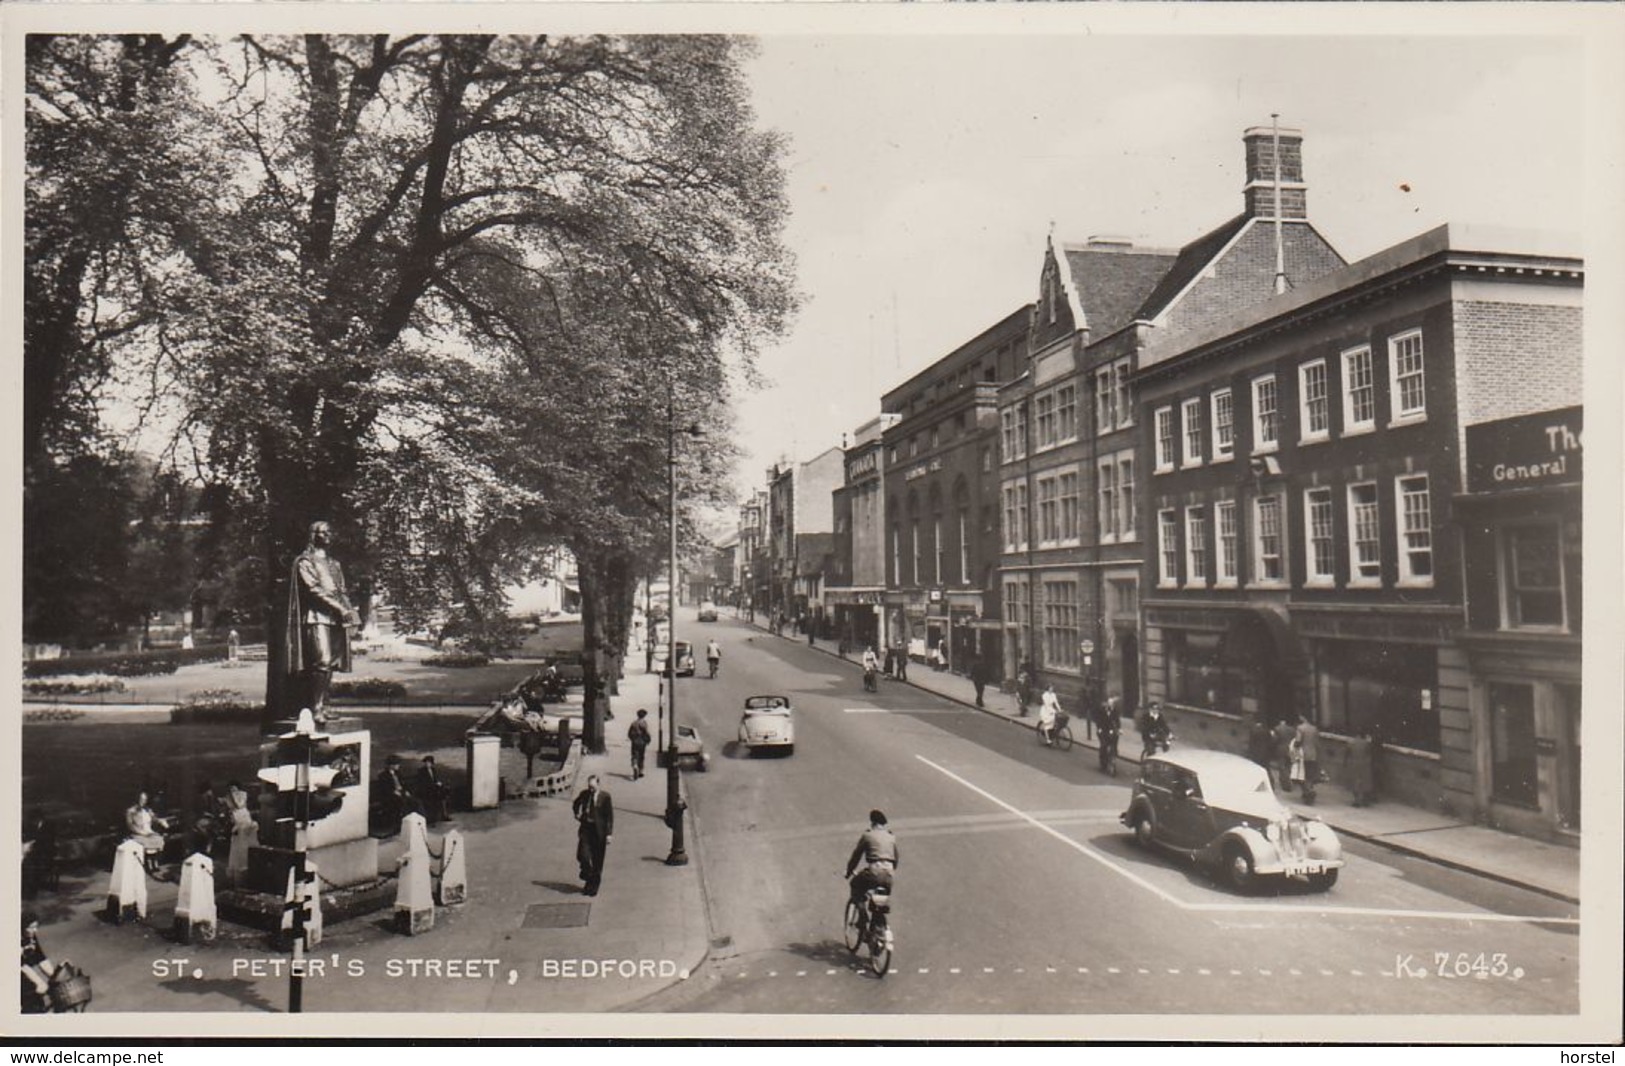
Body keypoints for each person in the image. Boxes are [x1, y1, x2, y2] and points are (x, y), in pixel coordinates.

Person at [285, 520, 362, 724]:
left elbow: (341, 591)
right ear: (314, 535)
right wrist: (340, 608)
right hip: (316, 617)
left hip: (335, 619)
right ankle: (315, 707)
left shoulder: (334, 564)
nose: (329, 535)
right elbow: (313, 590)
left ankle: (324, 705)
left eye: (330, 532)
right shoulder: (305, 561)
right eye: (324, 532)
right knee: (322, 661)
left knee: (330, 665)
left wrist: (350, 612)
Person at [845, 809, 899, 910]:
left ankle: (862, 916)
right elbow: (896, 858)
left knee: (855, 885)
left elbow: (856, 856)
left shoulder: (867, 835)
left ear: (872, 823)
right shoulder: (891, 836)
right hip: (889, 874)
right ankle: (881, 921)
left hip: (874, 872)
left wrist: (849, 871)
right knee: (881, 899)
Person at [572, 775, 614, 896]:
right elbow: (576, 803)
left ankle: (592, 887)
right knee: (582, 855)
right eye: (589, 787)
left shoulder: (605, 797)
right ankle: (588, 874)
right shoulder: (584, 794)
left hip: (599, 833)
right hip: (586, 829)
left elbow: (609, 816)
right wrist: (576, 813)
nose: (591, 790)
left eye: (593, 787)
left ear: (598, 785)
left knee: (597, 861)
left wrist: (609, 834)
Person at [20, 912, 59, 1014]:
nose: (35, 930)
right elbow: (21, 964)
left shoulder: (31, 936)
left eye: (36, 927)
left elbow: (40, 957)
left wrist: (55, 977)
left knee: (39, 1001)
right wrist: (38, 982)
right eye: (31, 927)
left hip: (24, 971)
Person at [124, 791, 169, 873]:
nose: (142, 801)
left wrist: (161, 821)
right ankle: (149, 864)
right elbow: (130, 825)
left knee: (158, 839)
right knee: (147, 842)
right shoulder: (130, 811)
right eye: (141, 799)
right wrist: (141, 832)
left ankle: (155, 863)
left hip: (149, 832)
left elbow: (154, 818)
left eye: (144, 800)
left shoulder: (148, 810)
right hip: (137, 833)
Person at [375, 755, 420, 834]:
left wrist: (405, 791)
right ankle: (399, 826)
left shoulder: (398, 773)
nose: (398, 766)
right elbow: (385, 789)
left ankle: (416, 822)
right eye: (396, 764)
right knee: (401, 803)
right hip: (390, 796)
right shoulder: (383, 775)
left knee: (415, 802)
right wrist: (394, 792)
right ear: (391, 765)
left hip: (400, 793)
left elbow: (403, 784)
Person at [414, 755, 451, 824]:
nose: (427, 764)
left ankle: (444, 814)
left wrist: (438, 783)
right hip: (426, 791)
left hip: (434, 789)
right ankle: (433, 818)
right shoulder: (421, 771)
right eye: (426, 762)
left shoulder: (433, 770)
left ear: (431, 763)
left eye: (429, 763)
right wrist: (434, 784)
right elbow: (423, 783)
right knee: (436, 797)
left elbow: (435, 779)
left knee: (443, 796)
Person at [1346, 728, 1377, 807]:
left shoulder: (1351, 743)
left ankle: (1356, 800)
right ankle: (1363, 799)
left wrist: (1346, 763)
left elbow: (1347, 754)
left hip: (1354, 763)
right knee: (1364, 781)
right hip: (1365, 764)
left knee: (1355, 781)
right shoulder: (1366, 743)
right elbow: (1371, 753)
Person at [1295, 714, 1322, 804]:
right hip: (1313, 754)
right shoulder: (1314, 729)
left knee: (1302, 774)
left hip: (1303, 754)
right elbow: (1317, 742)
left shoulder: (1300, 728)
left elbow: (1298, 741)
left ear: (1303, 717)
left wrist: (1294, 747)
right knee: (1310, 774)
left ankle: (1308, 791)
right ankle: (1309, 789)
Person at [1246, 713, 1278, 787]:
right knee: (1266, 769)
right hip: (1265, 753)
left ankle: (1255, 783)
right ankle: (1271, 784)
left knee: (1255, 768)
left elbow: (1251, 743)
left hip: (1256, 753)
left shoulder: (1253, 730)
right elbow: (1270, 741)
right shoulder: (1266, 730)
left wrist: (1249, 753)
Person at [1093, 695, 1123, 773]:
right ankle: (1103, 764)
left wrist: (1119, 729)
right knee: (1104, 745)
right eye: (1109, 703)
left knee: (1115, 742)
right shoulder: (1102, 710)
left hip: (1111, 730)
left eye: (1112, 704)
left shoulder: (1115, 711)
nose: (1110, 705)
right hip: (1103, 730)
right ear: (1107, 703)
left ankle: (1114, 754)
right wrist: (1099, 728)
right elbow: (1098, 720)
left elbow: (1117, 721)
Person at [1272, 717, 1298, 794]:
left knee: (1282, 766)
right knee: (1289, 765)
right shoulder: (1293, 729)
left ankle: (1286, 783)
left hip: (1281, 749)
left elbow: (1274, 740)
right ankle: (1289, 779)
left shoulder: (1277, 729)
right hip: (1291, 749)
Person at [628, 709, 652, 781]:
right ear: (644, 716)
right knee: (641, 756)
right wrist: (648, 740)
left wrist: (632, 739)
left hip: (635, 742)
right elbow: (647, 733)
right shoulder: (644, 723)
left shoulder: (633, 723)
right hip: (642, 742)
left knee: (634, 755)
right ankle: (641, 771)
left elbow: (629, 733)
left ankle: (635, 766)